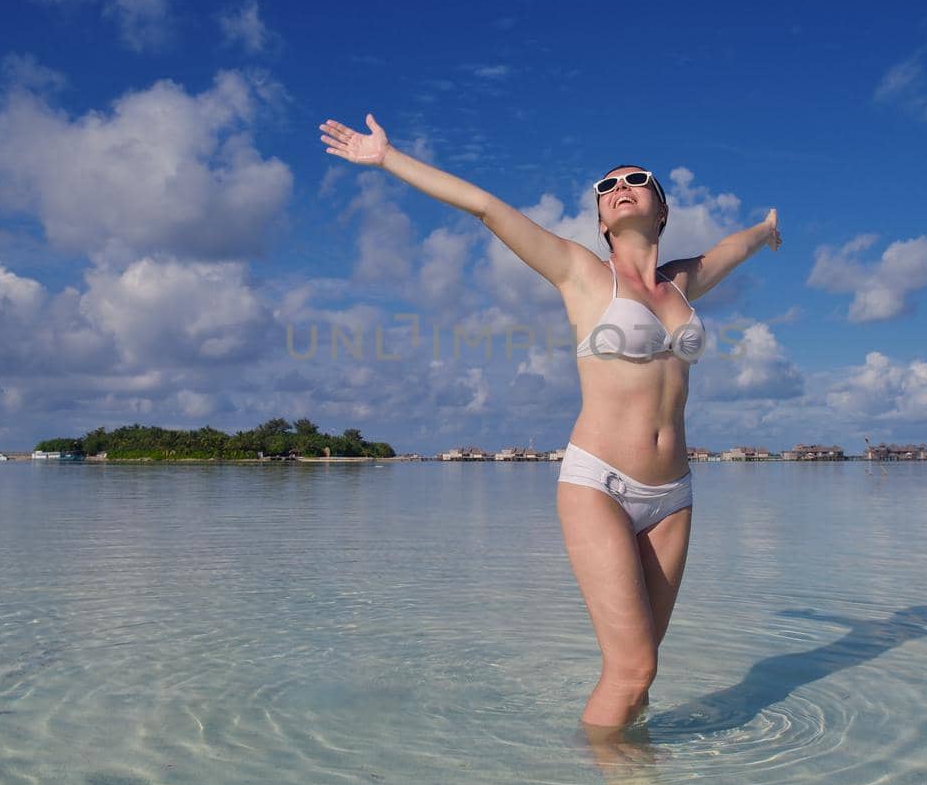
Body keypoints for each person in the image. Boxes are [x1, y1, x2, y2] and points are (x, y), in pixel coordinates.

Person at [319, 114, 781, 733]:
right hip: (600, 484)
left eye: (638, 180)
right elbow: (485, 206)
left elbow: (736, 248)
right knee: (632, 669)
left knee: (642, 670)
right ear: (599, 220)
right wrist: (388, 158)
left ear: (661, 209)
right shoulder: (581, 272)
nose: (621, 186)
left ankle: (634, 781)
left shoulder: (681, 283)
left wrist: (768, 230)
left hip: (673, 495)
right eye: (607, 185)